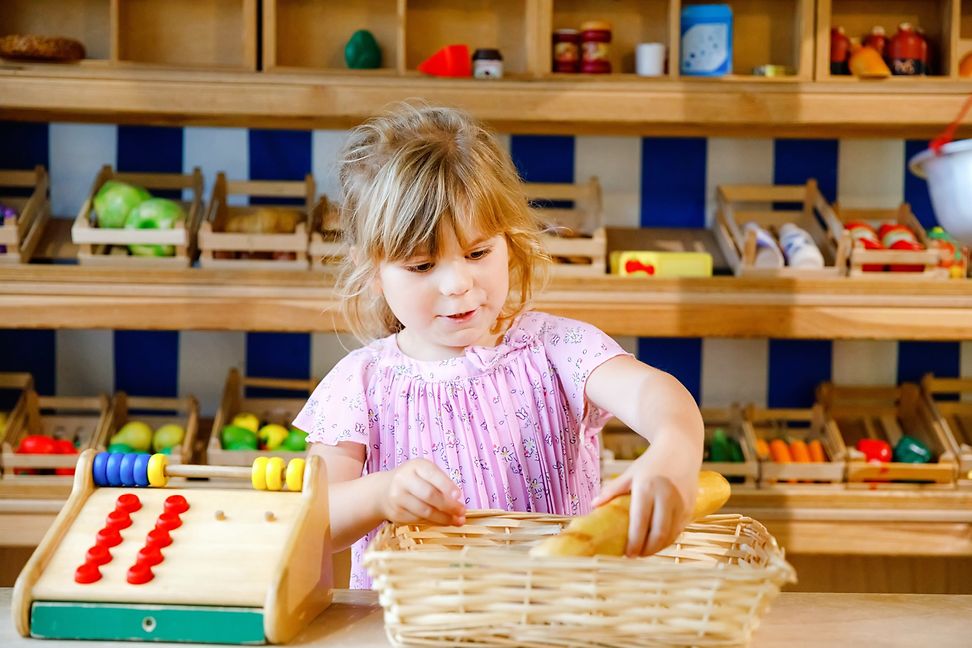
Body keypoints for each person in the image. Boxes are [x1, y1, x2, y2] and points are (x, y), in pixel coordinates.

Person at [293, 103, 704, 589]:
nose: (457, 284)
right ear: (374, 271)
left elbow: (655, 395)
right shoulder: (357, 384)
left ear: (510, 243)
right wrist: (380, 494)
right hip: (414, 631)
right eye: (422, 266)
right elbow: (313, 519)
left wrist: (674, 451)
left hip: (552, 625)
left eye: (477, 252)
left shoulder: (555, 348)